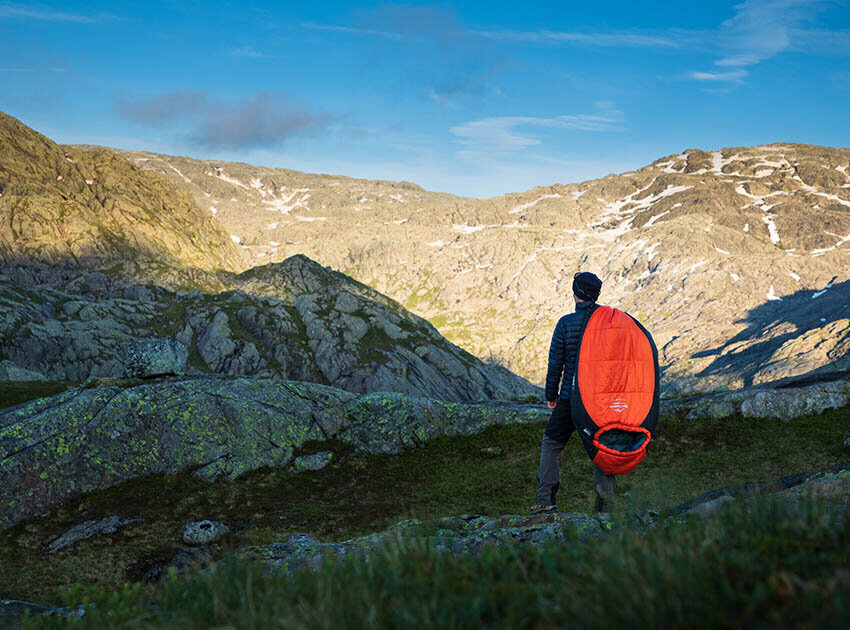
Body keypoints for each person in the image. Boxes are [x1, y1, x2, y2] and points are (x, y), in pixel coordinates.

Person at [530, 271, 617, 515]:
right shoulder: (610, 321)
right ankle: (606, 503)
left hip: (571, 398)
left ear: (575, 293)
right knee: (603, 447)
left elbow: (555, 364)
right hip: (600, 401)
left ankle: (546, 501)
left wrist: (551, 395)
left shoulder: (565, 323)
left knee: (551, 444)